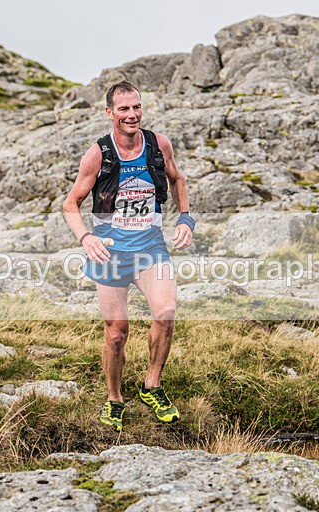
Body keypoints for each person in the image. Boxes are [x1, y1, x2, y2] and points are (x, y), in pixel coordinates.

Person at [63, 81, 195, 431]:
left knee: (166, 313)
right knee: (116, 334)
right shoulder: (98, 154)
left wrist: (186, 219)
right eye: (123, 109)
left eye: (136, 107)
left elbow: (178, 179)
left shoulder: (157, 144)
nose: (132, 114)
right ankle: (114, 397)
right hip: (109, 254)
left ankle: (152, 385)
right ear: (109, 113)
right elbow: (70, 204)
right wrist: (86, 237)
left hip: (150, 247)